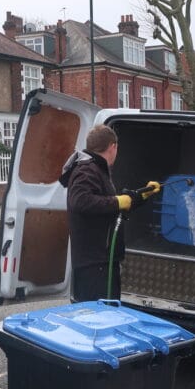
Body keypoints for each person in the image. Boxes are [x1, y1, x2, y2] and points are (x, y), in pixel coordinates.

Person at [58, 125, 160, 302]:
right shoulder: (86, 170)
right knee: (96, 319)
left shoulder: (97, 169)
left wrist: (142, 196)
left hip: (101, 261)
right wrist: (118, 201)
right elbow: (81, 201)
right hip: (94, 264)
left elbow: (107, 205)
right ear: (113, 147)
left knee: (106, 314)